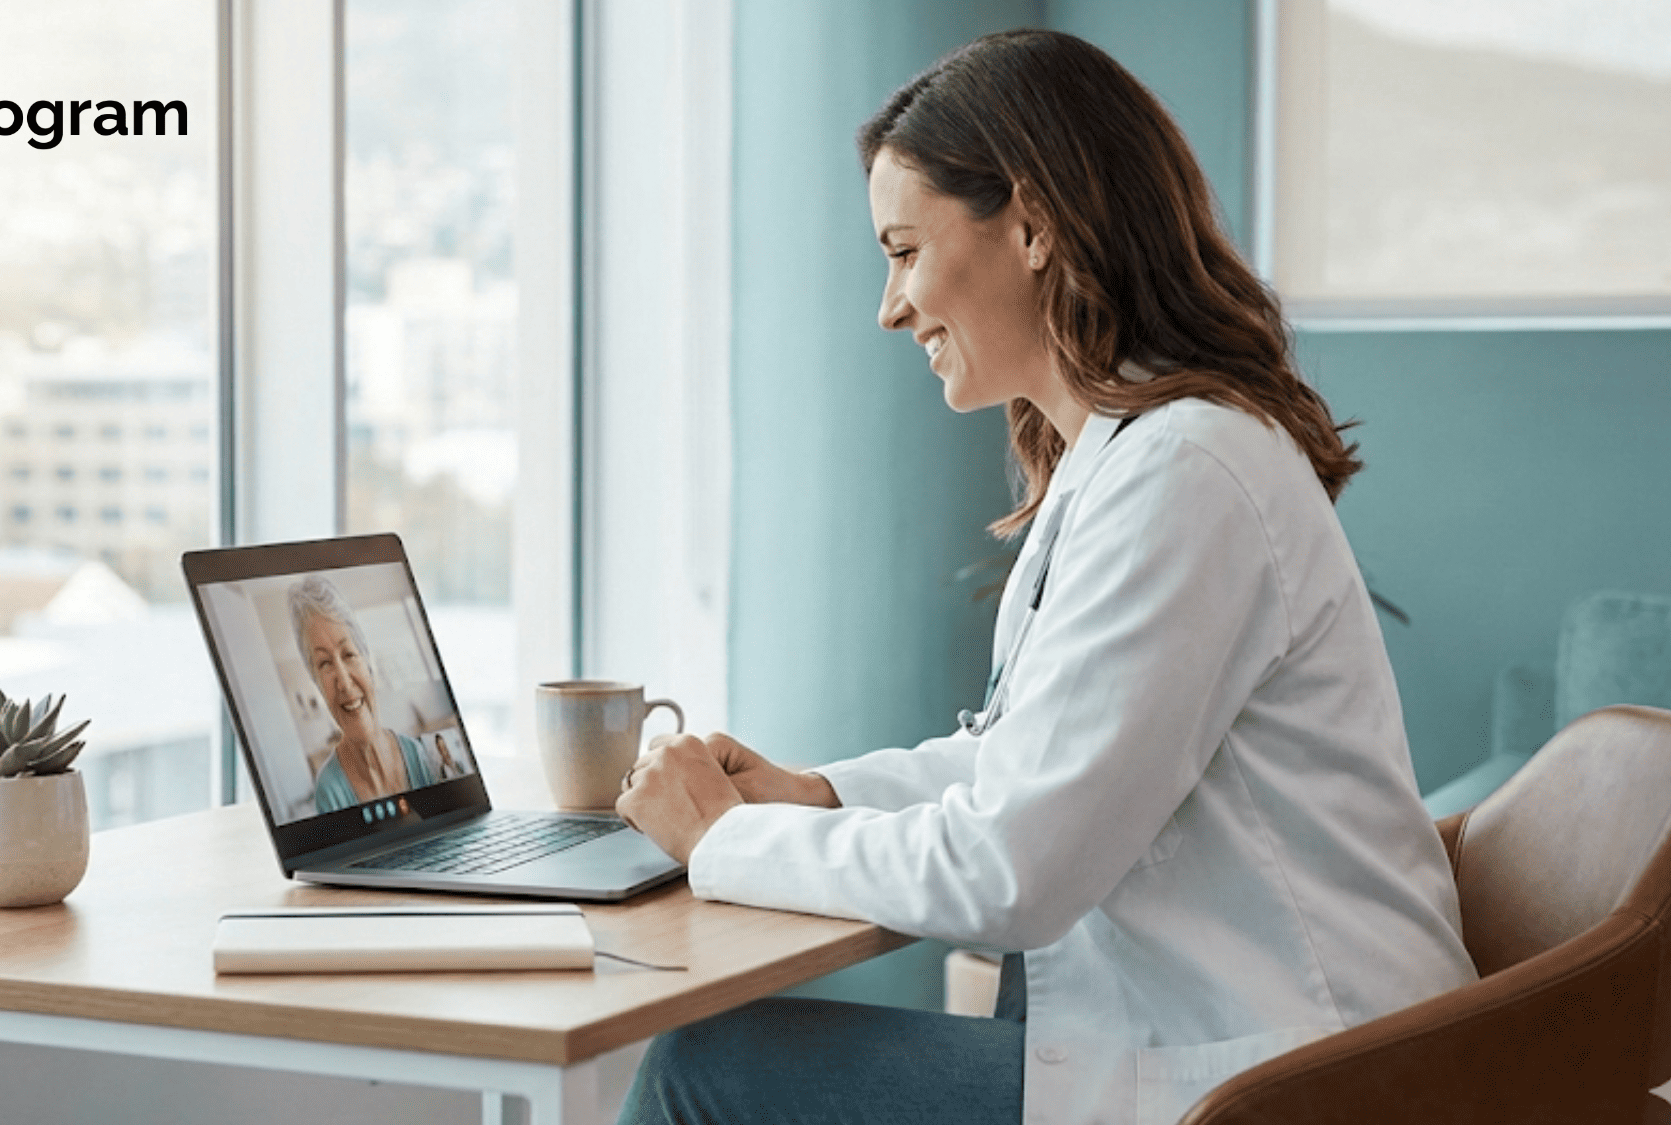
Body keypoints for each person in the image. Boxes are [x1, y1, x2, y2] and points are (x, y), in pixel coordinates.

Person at [612, 30, 1476, 1125]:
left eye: (903, 249)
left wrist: (723, 839)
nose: (888, 306)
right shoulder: (1136, 454)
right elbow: (1023, 765)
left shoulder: (1185, 470)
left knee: (708, 1070)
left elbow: (1013, 867)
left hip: (1300, 1083)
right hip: (1230, 1049)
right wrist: (814, 793)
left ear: (1030, 224)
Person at [286, 575, 440, 813]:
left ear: (368, 665)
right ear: (318, 685)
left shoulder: (418, 755)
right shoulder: (329, 792)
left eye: (348, 654)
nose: (345, 684)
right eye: (325, 663)